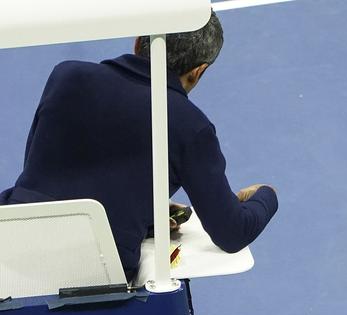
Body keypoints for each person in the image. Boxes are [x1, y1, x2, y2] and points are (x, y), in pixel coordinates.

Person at [0, 11, 278, 281]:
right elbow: (231, 233)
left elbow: (40, 171)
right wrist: (266, 196)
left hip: (11, 243)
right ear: (197, 72)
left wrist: (145, 210)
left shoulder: (66, 75)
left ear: (137, 41)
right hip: (94, 272)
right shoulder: (189, 125)